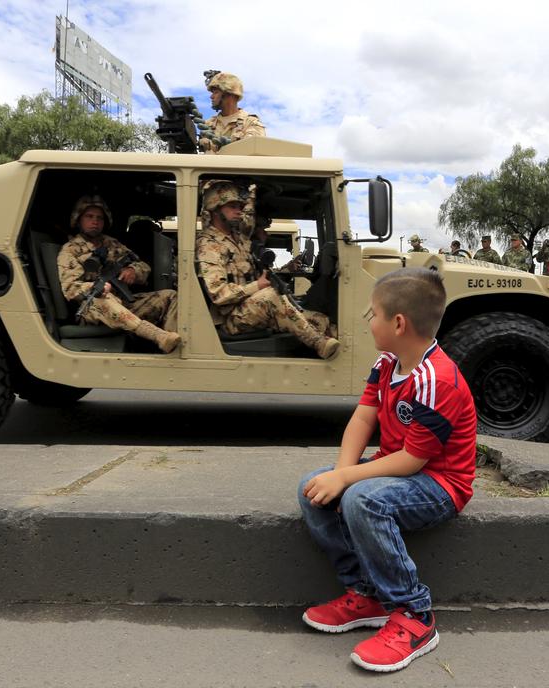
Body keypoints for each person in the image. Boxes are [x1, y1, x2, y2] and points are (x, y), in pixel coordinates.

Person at [297, 267, 476, 673]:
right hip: (395, 470)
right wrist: (340, 474)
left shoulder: (436, 380)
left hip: (439, 482)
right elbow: (362, 420)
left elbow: (414, 460)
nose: (369, 321)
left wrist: (347, 481)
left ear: (398, 323)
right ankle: (366, 594)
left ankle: (415, 614)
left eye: (372, 314)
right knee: (312, 487)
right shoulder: (386, 364)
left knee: (363, 498)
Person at [196, 181, 339, 359]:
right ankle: (318, 343)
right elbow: (218, 293)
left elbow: (249, 215)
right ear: (215, 209)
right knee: (270, 296)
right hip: (231, 319)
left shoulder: (238, 239)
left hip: (253, 310)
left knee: (320, 319)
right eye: (232, 206)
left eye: (240, 206)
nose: (239, 211)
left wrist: (253, 191)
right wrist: (257, 286)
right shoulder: (209, 245)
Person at [57, 195, 181, 353]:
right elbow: (70, 288)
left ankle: (172, 346)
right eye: (89, 216)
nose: (95, 221)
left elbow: (142, 264)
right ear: (78, 219)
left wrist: (133, 271)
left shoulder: (112, 244)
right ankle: (158, 336)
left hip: (121, 306)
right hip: (91, 308)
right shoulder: (70, 250)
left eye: (99, 218)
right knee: (103, 297)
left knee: (170, 296)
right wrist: (98, 288)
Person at [199, 72, 266, 153]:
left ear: (229, 94)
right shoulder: (208, 124)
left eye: (216, 92)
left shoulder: (250, 122)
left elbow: (254, 150)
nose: (211, 96)